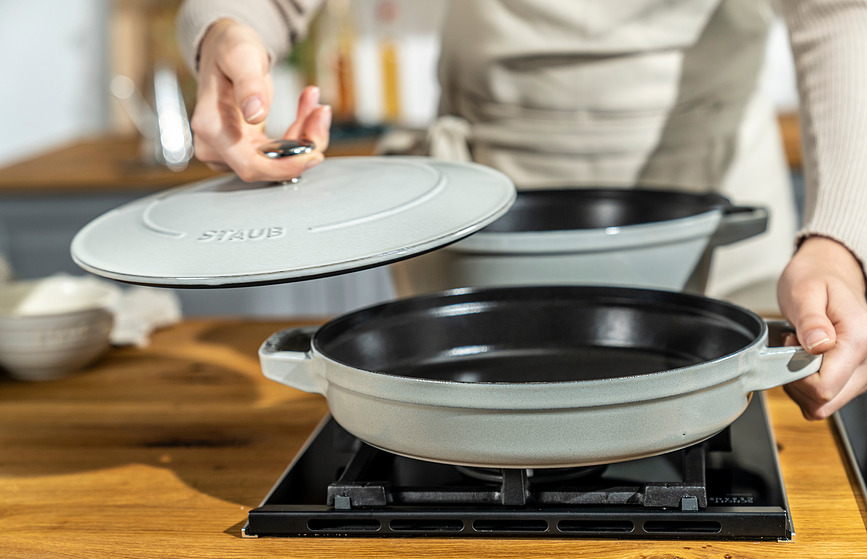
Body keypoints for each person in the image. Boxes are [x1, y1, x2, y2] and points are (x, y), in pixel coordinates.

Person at [175, 0, 867, 421]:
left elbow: (839, 11)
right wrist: (227, 31)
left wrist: (839, 235)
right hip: (486, 208)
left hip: (712, 217)